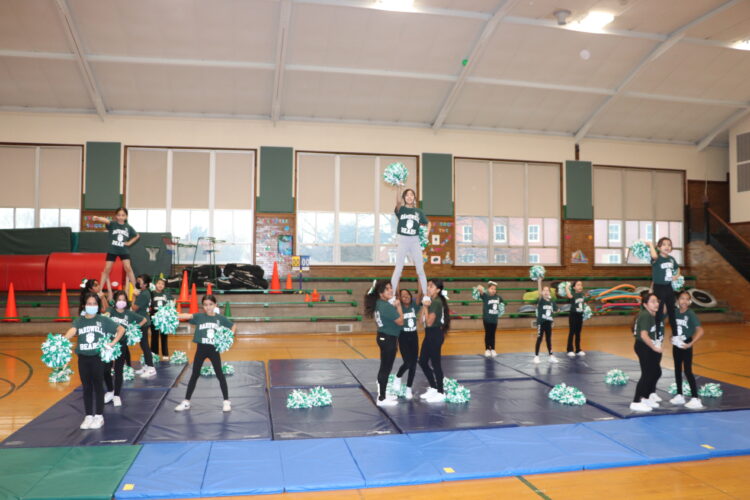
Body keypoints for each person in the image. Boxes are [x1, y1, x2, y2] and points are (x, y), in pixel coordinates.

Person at [62, 292, 124, 430]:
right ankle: (89, 415)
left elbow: (121, 329)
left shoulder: (103, 320)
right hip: (83, 358)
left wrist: (112, 343)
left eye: (94, 304)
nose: (92, 306)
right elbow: (72, 331)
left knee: (97, 386)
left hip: (97, 358)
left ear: (98, 305)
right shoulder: (79, 320)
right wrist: (63, 341)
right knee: (86, 387)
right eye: (89, 304)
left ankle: (99, 416)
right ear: (84, 305)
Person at [175, 294, 235, 412]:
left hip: (213, 350)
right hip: (201, 349)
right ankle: (186, 401)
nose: (208, 307)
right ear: (203, 306)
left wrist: (229, 336)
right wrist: (173, 315)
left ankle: (226, 401)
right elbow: (186, 315)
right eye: (205, 305)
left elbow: (233, 326)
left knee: (220, 374)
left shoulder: (220, 318)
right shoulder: (199, 317)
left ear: (215, 305)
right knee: (194, 374)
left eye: (210, 304)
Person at [104, 290, 148, 407]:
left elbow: (144, 320)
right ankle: (110, 391)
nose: (121, 302)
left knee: (118, 370)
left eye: (123, 300)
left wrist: (133, 329)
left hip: (121, 344)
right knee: (106, 369)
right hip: (108, 344)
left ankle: (117, 395)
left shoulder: (129, 313)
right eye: (119, 300)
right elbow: (105, 314)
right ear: (115, 301)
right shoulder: (111, 310)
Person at [364, 280, 403, 407]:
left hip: (384, 337)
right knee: (385, 368)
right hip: (388, 339)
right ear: (381, 293)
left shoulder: (380, 304)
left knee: (385, 367)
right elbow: (400, 321)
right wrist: (398, 307)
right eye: (387, 289)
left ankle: (383, 394)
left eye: (391, 288)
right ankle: (381, 398)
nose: (391, 291)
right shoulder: (385, 306)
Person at [390, 188, 430, 305]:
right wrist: (398, 188)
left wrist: (427, 233)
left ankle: (426, 296)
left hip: (415, 241)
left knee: (420, 269)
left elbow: (428, 223)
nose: (409, 197)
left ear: (414, 197)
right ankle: (392, 296)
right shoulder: (401, 209)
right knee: (398, 268)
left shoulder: (419, 211)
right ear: (404, 198)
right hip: (402, 240)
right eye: (407, 195)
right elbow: (397, 202)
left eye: (411, 195)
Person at [670, 290, 705, 409]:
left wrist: (691, 343)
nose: (684, 301)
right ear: (678, 300)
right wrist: (672, 336)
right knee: (677, 369)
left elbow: (700, 331)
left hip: (686, 344)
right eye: (682, 298)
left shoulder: (690, 313)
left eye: (686, 299)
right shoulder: (675, 312)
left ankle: (695, 398)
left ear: (689, 302)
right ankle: (680, 395)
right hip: (677, 344)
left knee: (688, 371)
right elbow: (675, 327)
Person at [418, 278, 451, 403]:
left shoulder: (436, 302)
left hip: (435, 334)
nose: (428, 288)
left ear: (437, 290)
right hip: (429, 334)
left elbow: (430, 322)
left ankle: (441, 392)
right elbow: (421, 321)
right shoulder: (431, 301)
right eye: (428, 286)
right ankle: (433, 387)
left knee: (435, 363)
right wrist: (424, 305)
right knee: (422, 361)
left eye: (431, 286)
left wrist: (426, 307)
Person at [92, 207, 139, 294]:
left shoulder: (128, 227)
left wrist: (129, 243)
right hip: (112, 250)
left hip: (124, 250)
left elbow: (137, 236)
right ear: (116, 216)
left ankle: (135, 287)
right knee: (107, 268)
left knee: (128, 267)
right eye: (119, 215)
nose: (121, 217)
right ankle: (100, 290)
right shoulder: (113, 224)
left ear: (126, 217)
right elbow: (106, 220)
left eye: (123, 215)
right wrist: (98, 218)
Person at [630, 292, 664, 413]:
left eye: (657, 301)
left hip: (649, 346)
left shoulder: (652, 315)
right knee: (647, 374)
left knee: (656, 372)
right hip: (643, 346)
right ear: (645, 304)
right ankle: (636, 401)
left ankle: (646, 397)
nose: (656, 304)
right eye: (652, 302)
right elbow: (644, 335)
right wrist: (654, 347)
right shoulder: (645, 315)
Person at [647, 237, 680, 338]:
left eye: (669, 245)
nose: (667, 246)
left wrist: (677, 276)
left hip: (668, 287)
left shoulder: (671, 259)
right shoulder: (656, 259)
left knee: (672, 311)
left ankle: (675, 336)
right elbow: (654, 255)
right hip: (659, 288)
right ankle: (657, 335)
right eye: (664, 244)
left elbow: (677, 268)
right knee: (659, 311)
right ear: (659, 247)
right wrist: (650, 245)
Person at [392, 288, 418, 400]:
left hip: (414, 336)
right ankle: (398, 377)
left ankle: (408, 388)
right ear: (400, 298)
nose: (406, 296)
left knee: (414, 364)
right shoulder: (398, 307)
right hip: (403, 336)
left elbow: (421, 293)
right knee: (407, 362)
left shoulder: (414, 305)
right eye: (403, 295)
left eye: (407, 294)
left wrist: (419, 273)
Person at [131, 274, 157, 378]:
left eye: (139, 281)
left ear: (145, 284)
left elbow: (134, 308)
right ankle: (147, 366)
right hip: (142, 320)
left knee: (145, 345)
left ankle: (151, 368)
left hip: (143, 321)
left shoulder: (144, 294)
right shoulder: (144, 292)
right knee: (143, 344)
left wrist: (133, 296)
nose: (137, 282)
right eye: (137, 280)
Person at [475, 281, 504, 357]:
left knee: (493, 334)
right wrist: (482, 288)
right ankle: (487, 349)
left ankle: (493, 349)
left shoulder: (498, 297)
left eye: (494, 289)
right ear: (488, 289)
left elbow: (501, 305)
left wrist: (500, 312)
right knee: (488, 334)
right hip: (487, 319)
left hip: (494, 319)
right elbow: (479, 288)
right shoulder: (485, 296)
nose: (493, 290)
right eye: (491, 288)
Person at [533, 278, 558, 364]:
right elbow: (540, 292)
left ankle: (551, 355)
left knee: (548, 339)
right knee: (539, 338)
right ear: (542, 292)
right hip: (541, 322)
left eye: (547, 290)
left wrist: (556, 310)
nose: (546, 292)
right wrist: (539, 281)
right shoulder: (541, 300)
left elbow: (555, 310)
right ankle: (536, 356)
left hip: (549, 323)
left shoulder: (552, 301)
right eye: (544, 290)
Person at [150, 277, 172, 361]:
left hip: (164, 317)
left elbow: (171, 302)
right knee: (154, 336)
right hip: (154, 316)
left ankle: (165, 354)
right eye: (159, 283)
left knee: (164, 336)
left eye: (162, 284)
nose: (160, 285)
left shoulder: (166, 294)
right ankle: (154, 354)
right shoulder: (152, 293)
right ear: (155, 284)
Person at [565, 280, 586, 357]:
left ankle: (578, 349)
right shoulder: (573, 294)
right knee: (572, 332)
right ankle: (570, 349)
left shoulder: (582, 295)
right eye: (578, 285)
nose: (580, 286)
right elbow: (569, 295)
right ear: (574, 287)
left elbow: (583, 304)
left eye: (581, 285)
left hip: (580, 316)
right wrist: (567, 287)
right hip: (573, 315)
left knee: (578, 333)